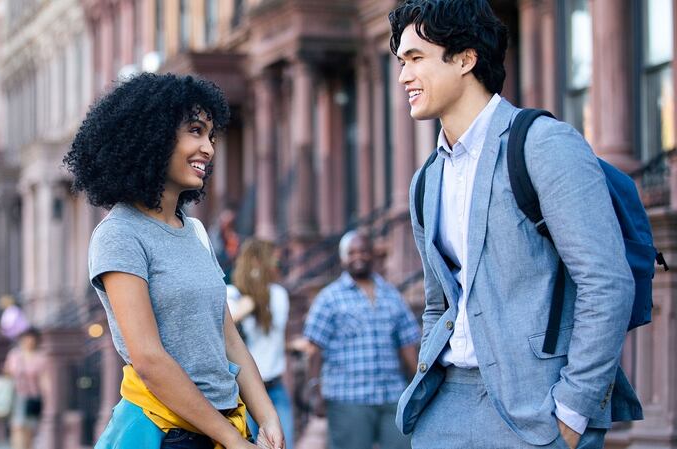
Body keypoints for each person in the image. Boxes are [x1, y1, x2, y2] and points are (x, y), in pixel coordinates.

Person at [389, 1, 641, 448]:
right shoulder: (426, 179)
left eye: (416, 59)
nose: (404, 76)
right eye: (401, 62)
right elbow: (437, 302)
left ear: (465, 59)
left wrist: (573, 407)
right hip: (446, 405)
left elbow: (606, 282)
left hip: (538, 409)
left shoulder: (544, 145)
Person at [63, 72, 283, 449]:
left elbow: (228, 338)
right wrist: (232, 440)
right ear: (152, 135)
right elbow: (149, 359)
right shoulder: (120, 234)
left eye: (211, 136)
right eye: (195, 131)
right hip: (167, 434)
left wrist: (268, 417)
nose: (209, 148)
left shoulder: (195, 231)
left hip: (227, 425)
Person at [295, 231, 420, 449]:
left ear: (372, 255)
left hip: (392, 395)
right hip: (347, 398)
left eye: (363, 251)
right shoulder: (329, 298)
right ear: (343, 259)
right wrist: (315, 391)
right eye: (351, 252)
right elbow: (314, 349)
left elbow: (408, 345)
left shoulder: (392, 295)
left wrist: (420, 385)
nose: (358, 256)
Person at [227, 239, 293, 449]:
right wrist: (250, 302)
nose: (276, 266)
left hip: (275, 388)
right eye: (272, 261)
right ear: (256, 262)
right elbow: (227, 329)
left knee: (282, 443)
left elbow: (273, 334)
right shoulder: (231, 294)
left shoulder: (278, 295)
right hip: (242, 393)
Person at [3, 328, 46, 449]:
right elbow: (7, 372)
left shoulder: (40, 357)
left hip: (33, 397)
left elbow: (44, 379)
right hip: (16, 395)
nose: (29, 341)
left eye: (32, 339)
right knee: (17, 427)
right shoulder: (15, 355)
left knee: (29, 429)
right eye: (27, 338)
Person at [210, 205, 241, 283]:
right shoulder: (215, 234)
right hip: (220, 270)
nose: (228, 225)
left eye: (231, 223)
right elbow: (216, 252)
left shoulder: (235, 235)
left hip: (232, 269)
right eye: (226, 222)